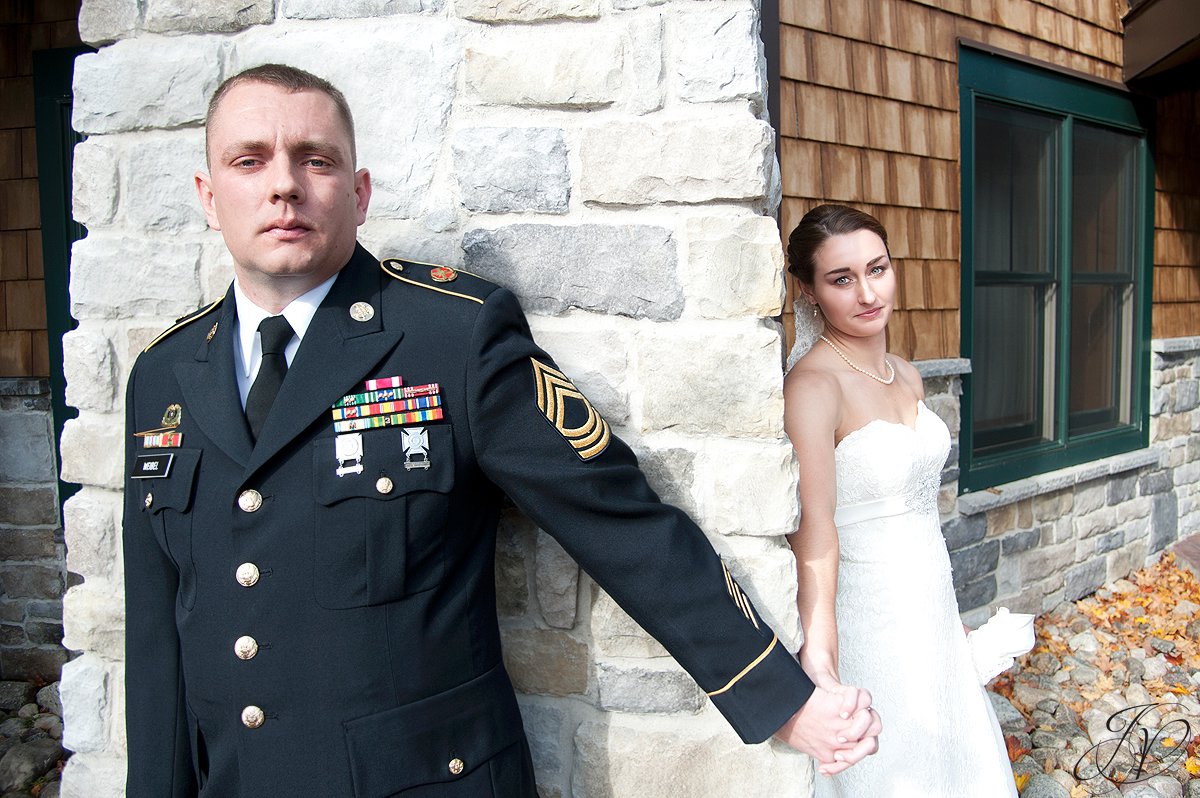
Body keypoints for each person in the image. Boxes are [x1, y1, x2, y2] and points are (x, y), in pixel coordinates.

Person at [121, 64, 880, 797]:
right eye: (248, 160)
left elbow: (615, 517)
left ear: (358, 193)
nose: (283, 184)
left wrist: (776, 693)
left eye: (314, 160)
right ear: (209, 196)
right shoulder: (162, 377)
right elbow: (158, 639)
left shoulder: (450, 336)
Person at [782, 204, 1018, 797]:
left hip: (930, 605)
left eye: (877, 269)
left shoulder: (906, 375)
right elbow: (814, 534)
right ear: (809, 293)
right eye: (841, 279)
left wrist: (952, 617)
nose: (867, 292)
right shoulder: (813, 388)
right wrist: (822, 657)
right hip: (869, 615)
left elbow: (919, 512)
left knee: (949, 753)